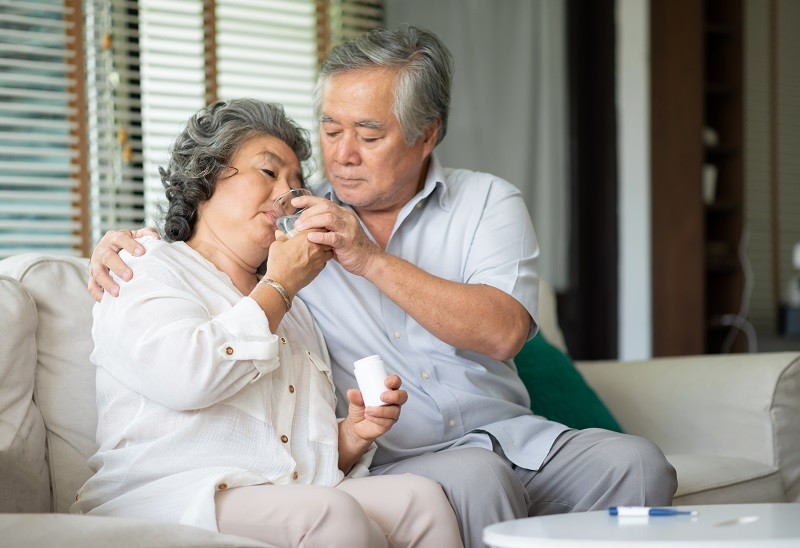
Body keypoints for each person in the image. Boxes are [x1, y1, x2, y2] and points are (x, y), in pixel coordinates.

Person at [89, 27, 677, 548]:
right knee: (476, 477)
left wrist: (367, 258)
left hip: (513, 436)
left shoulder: (485, 202)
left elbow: (502, 333)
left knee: (638, 463)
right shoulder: (291, 228)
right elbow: (207, 231)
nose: (340, 156)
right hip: (400, 458)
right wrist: (115, 243)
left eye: (369, 134)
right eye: (330, 129)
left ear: (427, 134)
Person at [74, 98, 463, 548]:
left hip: (279, 496)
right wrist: (278, 285)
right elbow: (188, 378)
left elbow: (292, 455)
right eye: (268, 171)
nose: (288, 194)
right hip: (170, 495)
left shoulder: (294, 311)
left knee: (421, 499)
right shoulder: (142, 266)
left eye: (296, 183)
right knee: (329, 513)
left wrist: (353, 433)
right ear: (208, 173)